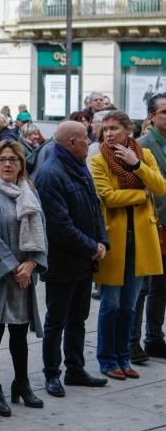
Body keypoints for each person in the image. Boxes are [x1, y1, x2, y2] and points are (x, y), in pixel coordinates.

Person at [0, 140, 47, 416]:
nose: (7, 164)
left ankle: (22, 383)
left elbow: (41, 232)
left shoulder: (30, 192)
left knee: (19, 335)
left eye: (13, 159)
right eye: (2, 159)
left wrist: (31, 264)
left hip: (24, 278)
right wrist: (16, 269)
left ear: (21, 164)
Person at [35, 121, 109, 397]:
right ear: (70, 143)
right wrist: (91, 247)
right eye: (84, 138)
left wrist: (101, 241)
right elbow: (58, 225)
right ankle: (52, 374)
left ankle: (75, 369)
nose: (89, 142)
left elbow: (94, 207)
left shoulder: (78, 166)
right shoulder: (51, 173)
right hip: (62, 263)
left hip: (83, 261)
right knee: (57, 320)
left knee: (78, 318)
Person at [91, 110, 166, 380]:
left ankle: (123, 357)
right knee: (110, 304)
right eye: (106, 129)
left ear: (128, 131)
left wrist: (136, 166)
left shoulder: (143, 156)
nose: (109, 133)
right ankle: (107, 359)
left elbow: (160, 187)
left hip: (142, 240)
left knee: (129, 305)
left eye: (114, 128)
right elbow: (108, 197)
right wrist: (140, 194)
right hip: (115, 240)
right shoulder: (99, 160)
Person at [132, 93, 166, 360]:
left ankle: (155, 337)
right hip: (149, 223)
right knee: (142, 287)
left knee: (162, 286)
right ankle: (132, 341)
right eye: (164, 112)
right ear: (152, 117)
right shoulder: (140, 147)